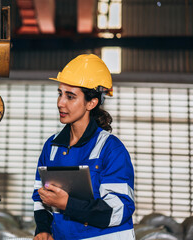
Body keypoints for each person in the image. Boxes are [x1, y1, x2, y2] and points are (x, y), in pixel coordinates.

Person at [32, 54, 135, 240]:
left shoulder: (111, 149)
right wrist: (43, 229)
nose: (60, 103)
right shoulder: (52, 146)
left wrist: (67, 204)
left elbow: (119, 209)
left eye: (70, 96)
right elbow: (40, 196)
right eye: (60, 93)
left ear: (91, 102)